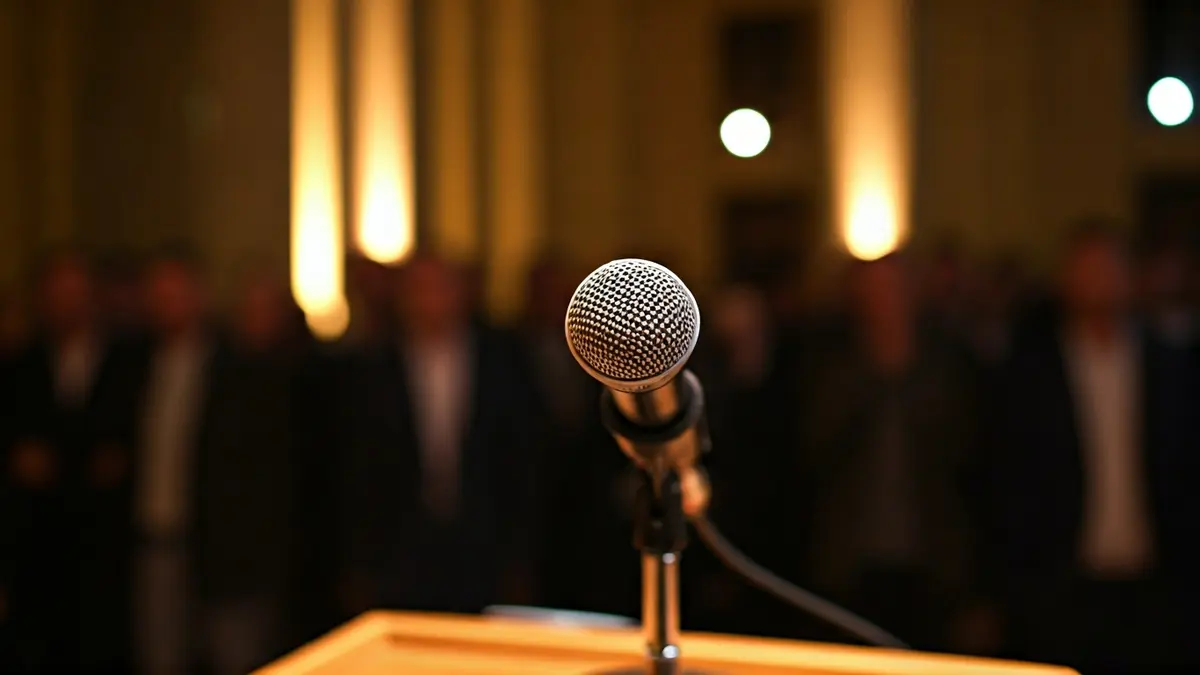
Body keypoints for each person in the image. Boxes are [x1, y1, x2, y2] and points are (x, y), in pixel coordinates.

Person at [992, 220, 1198, 672]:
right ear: (1066, 279)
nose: (1100, 281)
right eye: (1088, 269)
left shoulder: (1171, 365)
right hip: (1063, 585)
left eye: (1110, 267)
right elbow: (1009, 480)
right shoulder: (1031, 371)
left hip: (1155, 584)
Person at [792, 252, 990, 652]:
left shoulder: (950, 365)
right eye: (872, 291)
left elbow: (975, 465)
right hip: (849, 560)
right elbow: (809, 452)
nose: (883, 302)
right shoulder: (828, 366)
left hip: (934, 559)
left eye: (892, 290)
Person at [337, 253, 546, 616]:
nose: (430, 299)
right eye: (419, 288)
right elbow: (354, 469)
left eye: (441, 287)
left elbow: (526, 459)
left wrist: (522, 554)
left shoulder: (503, 359)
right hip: (400, 549)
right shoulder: (371, 366)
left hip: (485, 543)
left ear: (462, 293)